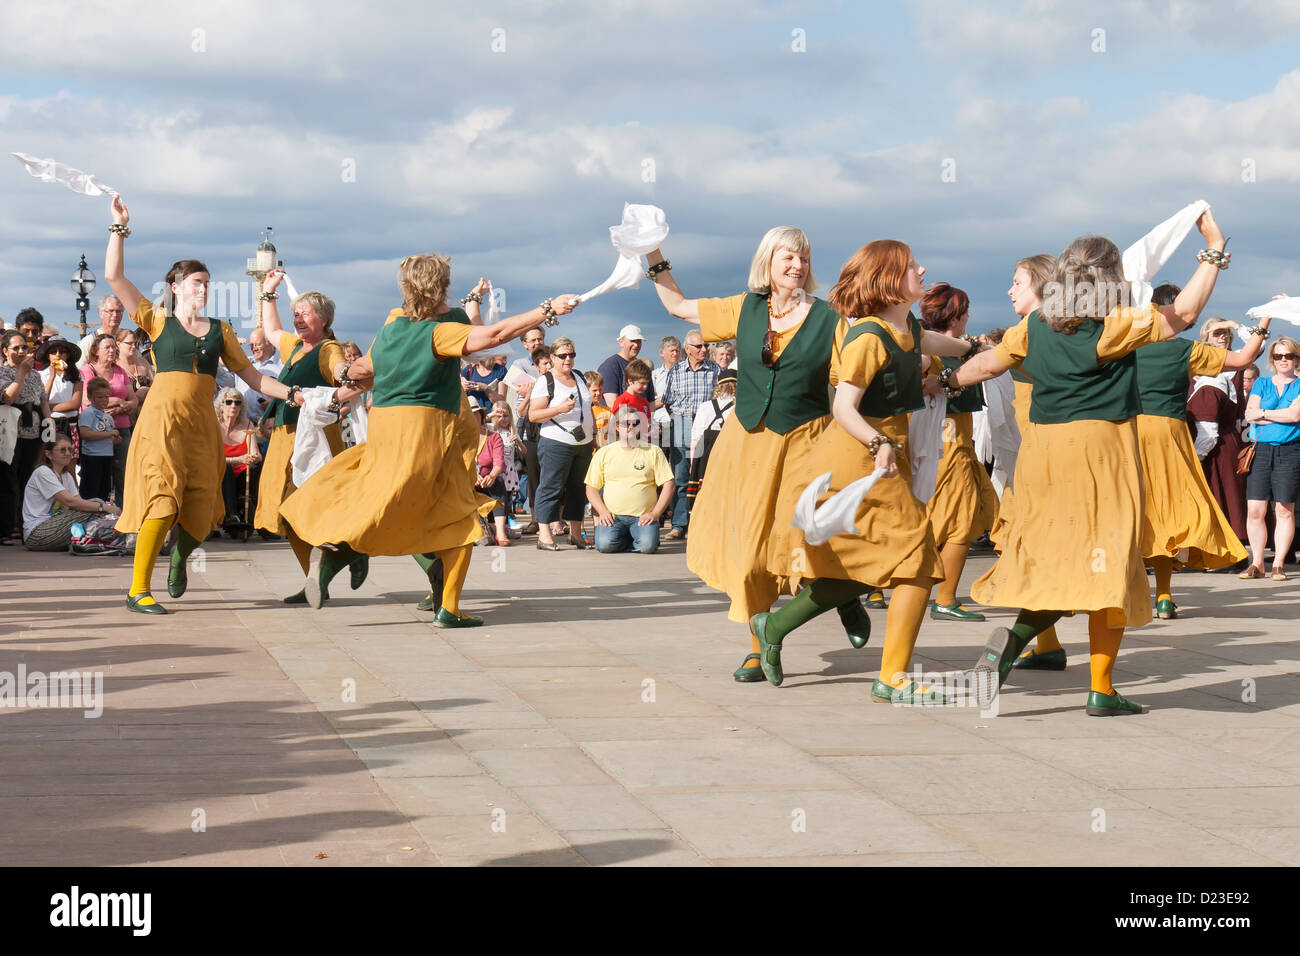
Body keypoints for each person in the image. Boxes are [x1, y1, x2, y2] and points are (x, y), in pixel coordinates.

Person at [947, 209, 1228, 715]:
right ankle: (1098, 687)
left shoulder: (1034, 324)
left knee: (1059, 560)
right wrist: (1213, 251)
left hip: (1046, 454)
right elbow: (1183, 314)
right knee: (1110, 565)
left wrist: (945, 382)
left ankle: (1014, 654)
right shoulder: (1113, 324)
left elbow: (989, 362)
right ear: (1110, 278)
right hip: (1102, 453)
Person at [277, 252, 578, 623]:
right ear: (441, 287)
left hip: (387, 426)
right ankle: (447, 607)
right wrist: (547, 309)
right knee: (455, 515)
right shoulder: (440, 332)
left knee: (387, 501)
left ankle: (337, 557)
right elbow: (494, 335)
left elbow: (362, 369)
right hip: (428, 428)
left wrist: (349, 374)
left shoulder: (391, 327)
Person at [643, 226, 873, 681]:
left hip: (808, 443)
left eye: (803, 259)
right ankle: (758, 646)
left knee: (803, 539)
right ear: (767, 262)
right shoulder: (743, 307)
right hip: (747, 443)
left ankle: (840, 592)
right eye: (788, 257)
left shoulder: (830, 318)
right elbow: (676, 306)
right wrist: (651, 248)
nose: (797, 266)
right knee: (751, 551)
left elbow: (859, 371)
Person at [754, 241, 973, 697]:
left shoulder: (905, 325)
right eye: (913, 265)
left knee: (854, 569)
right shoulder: (870, 337)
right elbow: (844, 407)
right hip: (861, 458)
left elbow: (936, 343)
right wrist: (878, 443)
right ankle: (892, 678)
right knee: (915, 562)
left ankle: (773, 625)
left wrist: (978, 348)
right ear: (890, 278)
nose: (922, 268)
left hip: (885, 458)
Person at [104, 194, 307, 614]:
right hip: (161, 425)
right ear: (176, 288)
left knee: (202, 512)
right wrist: (119, 228)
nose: (204, 289)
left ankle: (180, 560)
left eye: (208, 283)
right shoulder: (156, 319)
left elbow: (251, 377)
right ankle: (138, 589)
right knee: (161, 502)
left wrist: (291, 393)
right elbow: (113, 276)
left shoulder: (221, 331)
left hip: (201, 427)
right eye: (197, 282)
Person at [1135, 284, 1263, 612]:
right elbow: (1245, 358)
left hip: (1130, 433)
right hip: (1171, 435)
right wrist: (1262, 324)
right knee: (1170, 514)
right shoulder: (1184, 350)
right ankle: (1163, 596)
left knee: (1134, 513)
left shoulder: (1126, 346)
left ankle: (1125, 594)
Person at [251, 273, 352, 558]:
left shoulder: (328, 349)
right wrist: (268, 293)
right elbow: (271, 331)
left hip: (313, 437)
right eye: (295, 314)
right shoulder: (295, 347)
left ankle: (349, 552)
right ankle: (312, 578)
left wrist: (345, 373)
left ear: (323, 319)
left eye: (304, 314)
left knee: (310, 505)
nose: (297, 319)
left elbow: (337, 368)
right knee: (286, 511)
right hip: (286, 437)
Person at [918, 282, 998, 622]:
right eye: (965, 313)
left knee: (941, 522)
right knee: (960, 525)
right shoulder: (942, 354)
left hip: (942, 445)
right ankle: (946, 598)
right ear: (957, 315)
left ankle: (885, 587)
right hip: (952, 446)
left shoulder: (942, 349)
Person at [1187, 317, 1251, 544]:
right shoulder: (1195, 370)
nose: (1223, 336)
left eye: (1226, 333)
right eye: (1217, 333)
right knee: (1219, 494)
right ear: (1205, 339)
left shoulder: (1230, 367)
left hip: (1219, 440)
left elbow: (1257, 345)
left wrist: (1236, 326)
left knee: (1225, 494)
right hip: (1212, 438)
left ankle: (1229, 548)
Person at [1241, 334, 1300, 580]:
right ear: (1272, 359)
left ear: (1296, 358)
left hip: (1290, 450)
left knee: (1284, 509)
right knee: (1255, 509)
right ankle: (1257, 563)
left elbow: (1295, 416)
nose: (1283, 360)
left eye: (1288, 355)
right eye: (1278, 356)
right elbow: (1248, 414)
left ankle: (1278, 563)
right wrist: (1279, 413)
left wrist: (1263, 412)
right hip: (1261, 449)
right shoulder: (1261, 383)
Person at [529, 337, 595, 550]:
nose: (568, 359)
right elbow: (534, 415)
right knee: (551, 487)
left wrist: (592, 433)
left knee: (578, 488)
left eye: (571, 355)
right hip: (556, 442)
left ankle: (575, 534)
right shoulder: (545, 380)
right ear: (552, 357)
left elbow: (588, 406)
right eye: (563, 356)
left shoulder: (579, 377)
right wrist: (558, 409)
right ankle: (544, 535)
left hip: (582, 442)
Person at [585, 407, 676, 554]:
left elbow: (669, 485)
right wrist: (602, 512)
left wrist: (656, 514)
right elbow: (590, 488)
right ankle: (631, 539)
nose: (631, 426)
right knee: (604, 545)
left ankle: (636, 538)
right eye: (626, 423)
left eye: (635, 423)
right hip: (613, 517)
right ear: (616, 427)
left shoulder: (654, 451)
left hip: (643, 517)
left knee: (648, 547)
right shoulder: (604, 453)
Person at [662, 327, 722, 540]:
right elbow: (668, 401)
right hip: (682, 422)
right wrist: (682, 420)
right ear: (687, 349)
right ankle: (679, 524)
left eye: (706, 345)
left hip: (707, 427)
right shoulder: (676, 371)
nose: (704, 349)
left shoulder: (715, 370)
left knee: (705, 476)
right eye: (699, 346)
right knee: (681, 477)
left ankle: (702, 523)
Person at [22, 436, 121, 551]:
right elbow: (71, 502)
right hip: (37, 533)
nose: (68, 453)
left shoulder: (66, 475)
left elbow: (79, 503)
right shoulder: (43, 472)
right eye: (62, 450)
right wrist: (105, 507)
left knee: (95, 504)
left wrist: (102, 506)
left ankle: (104, 539)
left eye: (70, 449)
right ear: (48, 454)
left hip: (57, 526)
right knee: (97, 507)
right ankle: (115, 536)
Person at [1, 329, 53, 541]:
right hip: (10, 433)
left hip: (33, 433)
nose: (22, 351)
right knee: (6, 481)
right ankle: (5, 528)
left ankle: (25, 527)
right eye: (16, 348)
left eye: (25, 347)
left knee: (26, 480)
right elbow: (8, 398)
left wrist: (49, 427)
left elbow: (43, 400)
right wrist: (20, 373)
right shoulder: (3, 372)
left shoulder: (37, 375)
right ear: (5, 351)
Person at [79, 333, 138, 507]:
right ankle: (93, 513)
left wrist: (124, 406)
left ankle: (123, 514)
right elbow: (87, 399)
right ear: (96, 351)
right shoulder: (87, 370)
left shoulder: (120, 371)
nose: (112, 350)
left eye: (114, 347)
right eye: (107, 347)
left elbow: (133, 399)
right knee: (97, 475)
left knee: (122, 474)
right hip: (96, 430)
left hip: (121, 428)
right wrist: (119, 400)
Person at [216, 386, 262, 534]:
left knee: (259, 466)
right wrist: (238, 459)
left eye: (237, 403)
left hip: (243, 471)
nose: (233, 406)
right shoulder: (214, 425)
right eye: (228, 402)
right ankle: (231, 515)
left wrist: (253, 457)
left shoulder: (247, 425)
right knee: (226, 468)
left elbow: (257, 454)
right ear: (221, 406)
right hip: (220, 471)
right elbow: (213, 457)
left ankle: (261, 516)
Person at [77, 378, 121, 501]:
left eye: (106, 397)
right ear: (90, 397)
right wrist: (109, 434)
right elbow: (85, 434)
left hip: (106, 456)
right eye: (99, 397)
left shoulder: (107, 416)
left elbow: (109, 437)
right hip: (92, 457)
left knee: (104, 489)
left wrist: (116, 439)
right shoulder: (88, 413)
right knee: (91, 491)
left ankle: (100, 514)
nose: (104, 400)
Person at [36, 338, 84, 446]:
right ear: (48, 356)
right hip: (49, 422)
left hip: (71, 422)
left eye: (62, 352)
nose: (58, 355)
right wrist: (51, 377)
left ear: (67, 355)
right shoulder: (40, 375)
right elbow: (42, 400)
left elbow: (75, 404)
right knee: (48, 456)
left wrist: (48, 406)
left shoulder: (76, 375)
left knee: (71, 456)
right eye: (53, 352)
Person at [597, 325, 655, 409]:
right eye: (632, 341)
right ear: (621, 342)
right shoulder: (609, 366)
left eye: (639, 341)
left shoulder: (643, 368)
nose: (636, 345)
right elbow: (612, 404)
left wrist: (648, 421)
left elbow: (651, 401)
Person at [239, 328, 284, 426]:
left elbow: (294, 393)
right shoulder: (243, 365)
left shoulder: (283, 366)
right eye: (251, 345)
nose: (253, 348)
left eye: (257, 344)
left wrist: (275, 402)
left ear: (270, 343)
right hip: (245, 428)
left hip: (273, 428)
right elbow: (219, 369)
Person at [78, 296, 126, 363]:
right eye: (111, 311)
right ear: (101, 314)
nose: (115, 315)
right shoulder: (89, 341)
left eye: (118, 311)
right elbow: (78, 370)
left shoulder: (127, 341)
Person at [115, 328, 155, 399]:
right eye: (130, 343)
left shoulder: (143, 362)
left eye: (135, 343)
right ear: (118, 344)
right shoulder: (114, 366)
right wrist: (136, 397)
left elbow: (156, 385)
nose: (134, 347)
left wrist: (147, 390)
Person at [585, 370, 611, 447]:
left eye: (600, 390)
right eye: (594, 390)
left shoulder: (607, 411)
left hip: (603, 450)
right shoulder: (583, 411)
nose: (598, 393)